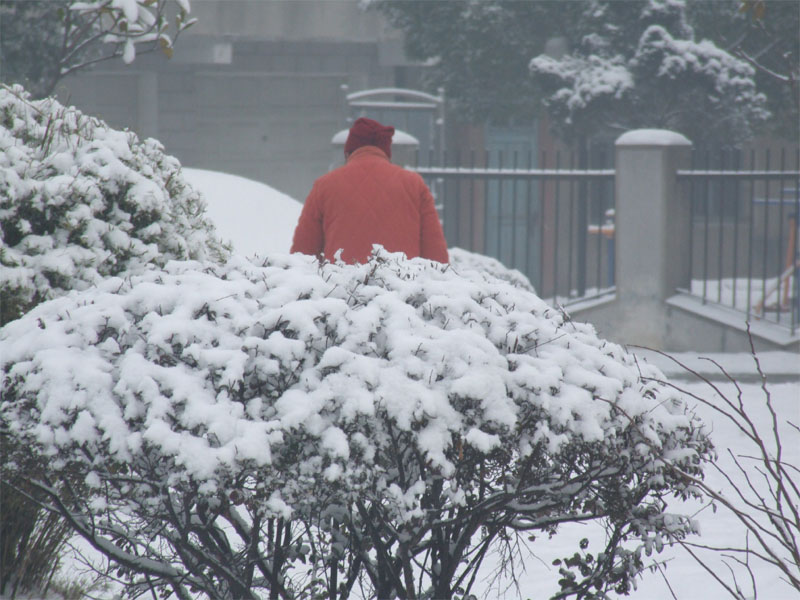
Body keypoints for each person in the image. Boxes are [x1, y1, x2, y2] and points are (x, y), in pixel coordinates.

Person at [290, 117, 449, 264]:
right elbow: (435, 255)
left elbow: (303, 255)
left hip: (341, 289)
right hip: (401, 288)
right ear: (387, 152)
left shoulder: (324, 186)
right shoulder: (414, 184)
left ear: (348, 152)